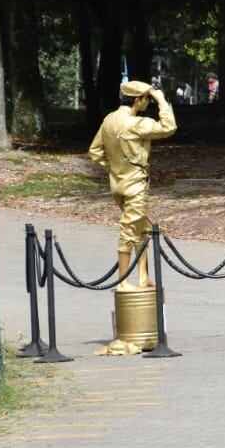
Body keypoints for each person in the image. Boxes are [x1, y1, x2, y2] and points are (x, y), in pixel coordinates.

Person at [87, 81, 177, 291]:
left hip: (117, 184)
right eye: (146, 98)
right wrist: (161, 99)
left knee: (140, 229)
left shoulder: (110, 119)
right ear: (138, 100)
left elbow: (95, 151)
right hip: (135, 185)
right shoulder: (136, 123)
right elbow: (169, 127)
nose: (148, 102)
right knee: (129, 231)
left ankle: (143, 276)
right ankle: (123, 282)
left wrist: (114, 169)